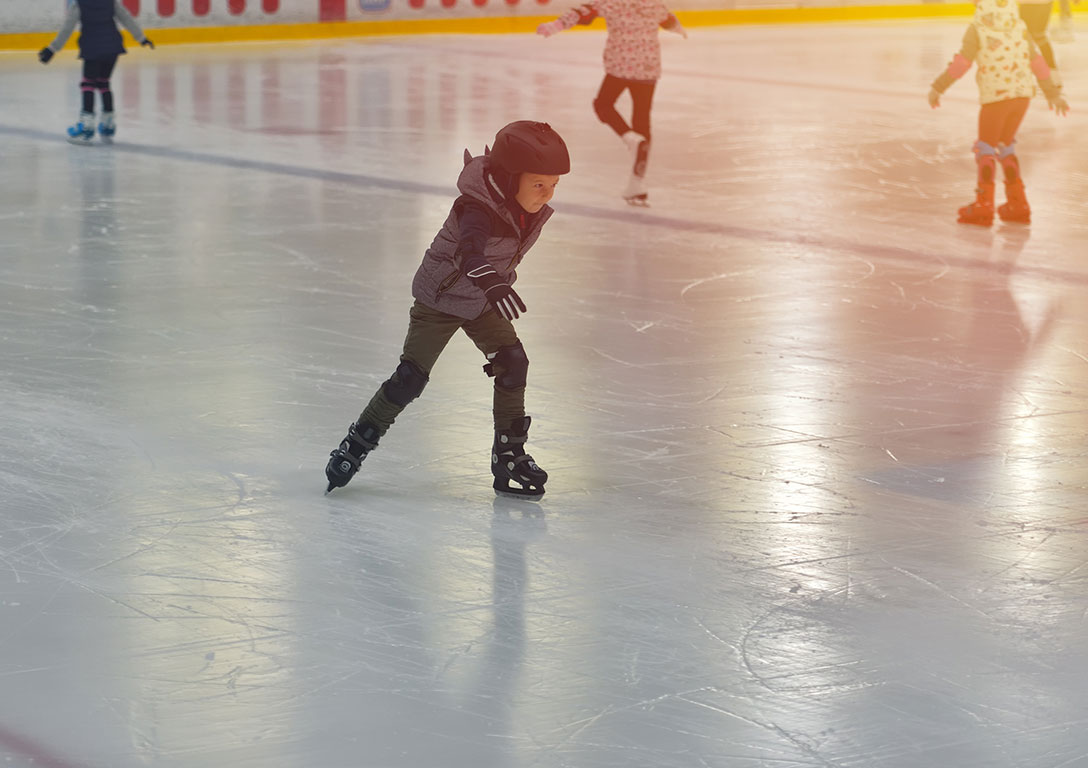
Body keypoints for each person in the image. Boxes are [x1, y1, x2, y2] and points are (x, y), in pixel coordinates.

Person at [324, 121, 570, 500]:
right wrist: (492, 281)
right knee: (410, 378)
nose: (547, 194)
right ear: (508, 178)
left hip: (480, 301)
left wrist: (491, 287)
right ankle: (356, 444)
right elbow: (469, 252)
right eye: (539, 184)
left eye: (553, 185)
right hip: (439, 301)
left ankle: (508, 453)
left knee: (512, 361)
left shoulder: (522, 208)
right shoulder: (476, 208)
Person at [928, 0, 1069, 226]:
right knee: (1006, 146)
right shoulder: (1018, 24)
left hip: (996, 98)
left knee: (985, 149)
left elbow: (963, 62)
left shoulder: (978, 27)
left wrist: (938, 86)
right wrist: (1052, 93)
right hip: (1022, 96)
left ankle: (983, 204)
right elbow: (1037, 61)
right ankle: (1018, 203)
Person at [536, 1, 686, 207]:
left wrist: (558, 25)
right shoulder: (652, 3)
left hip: (621, 68)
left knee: (603, 104)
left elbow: (583, 13)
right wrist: (679, 29)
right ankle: (637, 185)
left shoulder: (612, 2)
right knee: (642, 121)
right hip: (648, 69)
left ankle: (629, 138)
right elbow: (668, 20)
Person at [38, 0, 154, 145]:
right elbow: (126, 18)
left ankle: (86, 126)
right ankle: (108, 123)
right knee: (104, 83)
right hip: (112, 47)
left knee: (88, 84)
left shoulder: (79, 4)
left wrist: (52, 49)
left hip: (92, 48)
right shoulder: (110, 2)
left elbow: (67, 29)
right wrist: (141, 38)